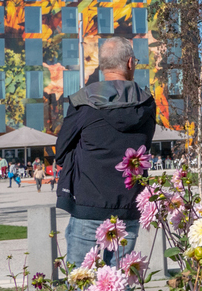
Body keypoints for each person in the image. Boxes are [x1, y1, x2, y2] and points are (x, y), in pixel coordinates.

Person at [55, 36, 156, 269]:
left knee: (81, 290)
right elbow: (144, 147)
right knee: (121, 287)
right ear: (130, 63)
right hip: (128, 205)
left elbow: (61, 152)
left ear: (102, 66)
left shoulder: (82, 102)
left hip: (87, 205)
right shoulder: (147, 104)